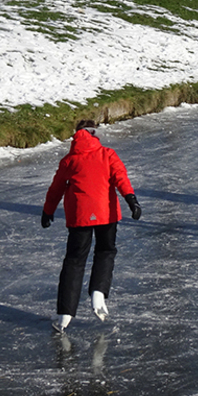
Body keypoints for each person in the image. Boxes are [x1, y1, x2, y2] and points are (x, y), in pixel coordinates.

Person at [41, 119, 141, 334]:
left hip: (80, 217)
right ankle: (98, 293)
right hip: (106, 214)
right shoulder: (107, 154)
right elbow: (120, 177)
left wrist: (48, 211)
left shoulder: (69, 160)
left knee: (75, 261)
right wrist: (131, 199)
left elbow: (56, 188)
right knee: (105, 251)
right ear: (94, 134)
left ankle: (64, 315)